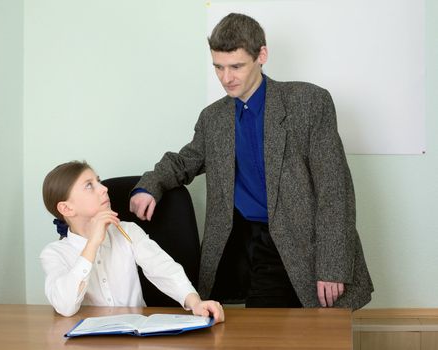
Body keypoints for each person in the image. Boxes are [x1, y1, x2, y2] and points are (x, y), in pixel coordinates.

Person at [130, 13, 373, 309]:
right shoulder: (213, 118)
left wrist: (332, 267)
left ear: (262, 55)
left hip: (303, 243)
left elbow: (335, 191)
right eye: (218, 67)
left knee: (320, 332)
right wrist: (149, 185)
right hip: (253, 245)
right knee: (263, 332)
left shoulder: (309, 103)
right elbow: (185, 161)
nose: (226, 78)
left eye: (236, 66)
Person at [40, 160, 225, 321]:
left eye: (98, 181)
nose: (104, 188)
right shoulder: (53, 254)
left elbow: (162, 268)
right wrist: (93, 243)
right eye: (89, 185)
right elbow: (65, 306)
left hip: (134, 336)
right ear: (67, 208)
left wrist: (195, 302)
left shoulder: (128, 231)